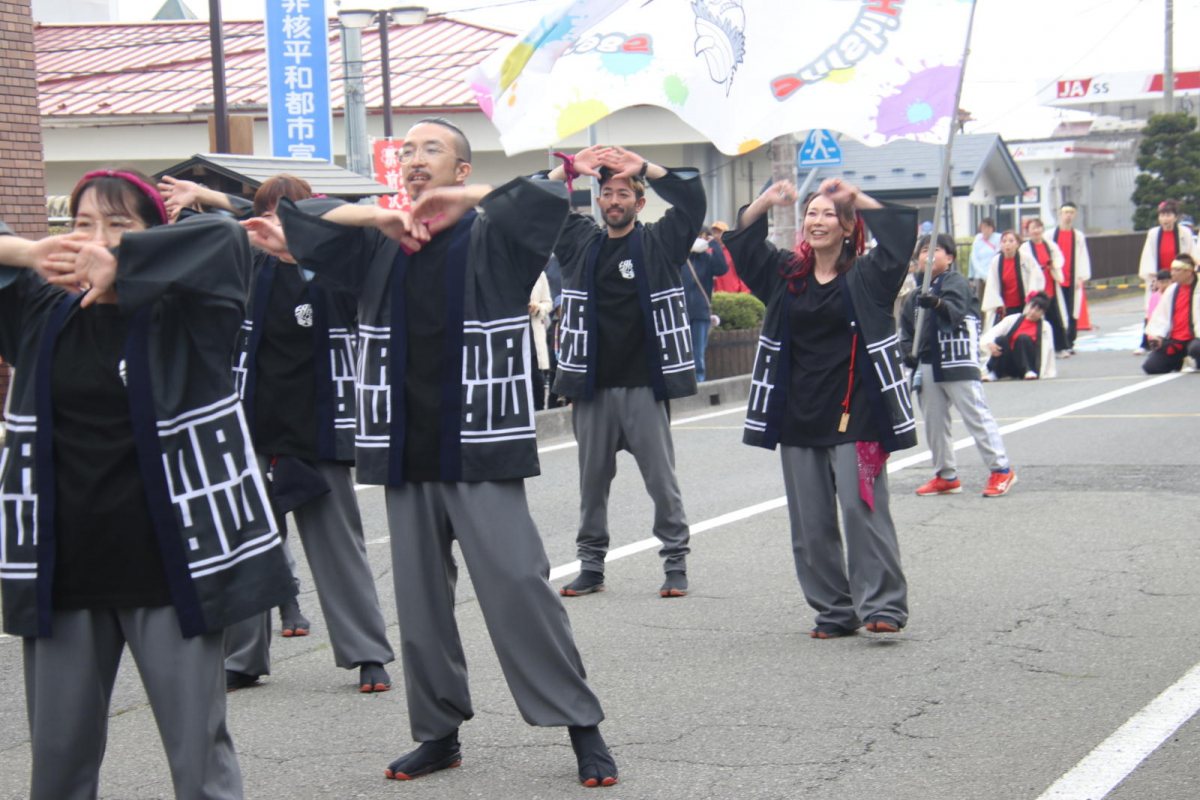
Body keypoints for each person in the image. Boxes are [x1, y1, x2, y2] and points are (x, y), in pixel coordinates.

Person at [250, 118, 618, 788]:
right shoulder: (377, 248)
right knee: (419, 605)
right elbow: (300, 210)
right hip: (402, 450)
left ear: (459, 168)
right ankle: (438, 733)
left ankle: (581, 726)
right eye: (408, 151)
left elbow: (534, 199)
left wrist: (468, 198)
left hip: (478, 447)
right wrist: (380, 216)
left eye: (432, 151)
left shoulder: (496, 239)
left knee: (516, 587)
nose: (416, 161)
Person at [0, 169, 295, 799]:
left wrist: (125, 264)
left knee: (198, 757)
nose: (95, 240)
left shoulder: (190, 312)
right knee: (57, 764)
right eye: (82, 225)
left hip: (170, 568)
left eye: (119, 225)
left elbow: (223, 238)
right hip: (64, 568)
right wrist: (26, 252)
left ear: (153, 239)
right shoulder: (39, 309)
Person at [158, 174, 396, 694]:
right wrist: (209, 204)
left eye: (291, 215)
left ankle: (368, 654)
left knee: (339, 548)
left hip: (321, 430)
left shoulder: (340, 271)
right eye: (268, 216)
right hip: (253, 427)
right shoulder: (250, 269)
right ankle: (243, 657)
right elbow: (229, 227)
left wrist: (223, 200)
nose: (275, 225)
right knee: (246, 544)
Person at [720, 177, 917, 639]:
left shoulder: (869, 275)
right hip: (798, 415)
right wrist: (767, 200)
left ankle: (883, 604)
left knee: (860, 506)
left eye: (830, 213)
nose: (818, 220)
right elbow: (743, 243)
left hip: (861, 413)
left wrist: (858, 197)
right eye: (812, 213)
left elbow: (900, 237)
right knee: (810, 523)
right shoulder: (786, 274)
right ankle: (834, 610)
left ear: (848, 226)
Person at [542, 144, 705, 599]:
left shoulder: (659, 242)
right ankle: (591, 566)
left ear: (640, 201)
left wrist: (647, 168)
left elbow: (693, 200)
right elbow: (534, 201)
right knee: (591, 486)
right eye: (607, 193)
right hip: (592, 389)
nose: (614, 201)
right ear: (597, 200)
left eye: (623, 193)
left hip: (644, 388)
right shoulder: (579, 244)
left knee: (662, 482)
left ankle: (675, 563)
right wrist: (569, 169)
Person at [900, 234, 1016, 498]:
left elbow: (955, 312)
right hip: (928, 364)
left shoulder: (957, 282)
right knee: (933, 422)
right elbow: (906, 330)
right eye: (924, 250)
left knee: (975, 415)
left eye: (935, 250)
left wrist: (938, 303)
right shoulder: (915, 295)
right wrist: (907, 351)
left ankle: (1001, 469)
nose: (928, 255)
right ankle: (945, 475)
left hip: (957, 359)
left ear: (950, 258)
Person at [1136, 200, 1197, 354]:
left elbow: (1192, 254)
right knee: (1153, 308)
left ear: (1175, 217)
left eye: (1169, 215)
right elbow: (1148, 256)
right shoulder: (1154, 233)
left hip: (1179, 277)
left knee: (1180, 308)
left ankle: (1181, 339)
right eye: (1163, 215)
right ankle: (1147, 342)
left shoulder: (1184, 233)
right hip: (1160, 276)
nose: (1165, 219)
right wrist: (1153, 278)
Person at [683, 226, 729, 382]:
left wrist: (714, 244)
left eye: (704, 237)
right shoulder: (681, 259)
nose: (700, 240)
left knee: (697, 354)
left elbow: (722, 268)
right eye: (698, 236)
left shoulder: (708, 260)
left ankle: (698, 384)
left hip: (701, 312)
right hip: (680, 313)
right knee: (681, 353)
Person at [1018, 219, 1069, 356]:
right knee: (1036, 317)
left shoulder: (1050, 245)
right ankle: (1038, 347)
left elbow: (1059, 259)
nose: (1036, 231)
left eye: (1038, 227)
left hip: (1049, 285)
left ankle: (1061, 347)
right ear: (1028, 231)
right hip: (1034, 288)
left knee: (1055, 318)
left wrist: (1054, 266)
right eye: (1032, 228)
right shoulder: (1025, 248)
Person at [1142, 255, 1200, 374]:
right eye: (1172, 270)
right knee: (1151, 367)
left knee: (1196, 348)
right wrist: (1157, 336)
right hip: (1177, 339)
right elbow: (1161, 316)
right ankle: (1179, 360)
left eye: (1177, 270)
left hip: (1195, 337)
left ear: (1189, 271)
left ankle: (1195, 360)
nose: (1173, 273)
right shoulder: (1172, 290)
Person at [1047, 203, 1091, 355]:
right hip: (1056, 277)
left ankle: (1070, 341)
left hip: (1072, 277)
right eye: (1065, 212)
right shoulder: (1051, 235)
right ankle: (1059, 342)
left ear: (1075, 215)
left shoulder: (1077, 236)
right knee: (1057, 310)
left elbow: (1082, 256)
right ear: (1059, 214)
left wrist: (1081, 277)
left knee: (1072, 310)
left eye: (1071, 212)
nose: (1068, 215)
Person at [980, 293, 1057, 381]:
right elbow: (991, 333)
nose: (1032, 312)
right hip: (1008, 361)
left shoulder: (1045, 327)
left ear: (1042, 313)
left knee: (1023, 338)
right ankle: (995, 372)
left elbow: (1049, 349)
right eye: (1031, 307)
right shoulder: (1012, 319)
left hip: (1027, 362)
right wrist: (989, 344)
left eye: (1037, 310)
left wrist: (1047, 370)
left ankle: (1028, 370)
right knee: (1001, 339)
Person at [982, 229, 1043, 330]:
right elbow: (992, 285)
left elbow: (1036, 277)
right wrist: (998, 304)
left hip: (1023, 305)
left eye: (1011, 241)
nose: (1007, 244)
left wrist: (1031, 297)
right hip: (1004, 308)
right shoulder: (996, 261)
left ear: (1017, 244)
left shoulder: (1026, 258)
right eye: (1004, 241)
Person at [529, 269, 553, 409]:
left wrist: (537, 308)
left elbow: (548, 303)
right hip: (515, 332)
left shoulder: (540, 275)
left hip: (534, 331)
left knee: (537, 380)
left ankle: (538, 414)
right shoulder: (509, 270)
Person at [710, 220, 750, 293]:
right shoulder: (710, 252)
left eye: (719, 232)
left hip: (734, 291)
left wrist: (744, 291)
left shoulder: (734, 251)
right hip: (717, 294)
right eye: (714, 232)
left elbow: (743, 271)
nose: (716, 236)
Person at [968, 217, 1001, 304]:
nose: (986, 230)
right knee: (981, 302)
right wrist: (982, 275)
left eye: (988, 227)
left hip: (995, 275)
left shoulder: (998, 238)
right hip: (981, 278)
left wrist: (990, 275)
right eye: (984, 227)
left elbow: (998, 256)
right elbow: (974, 258)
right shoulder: (977, 240)